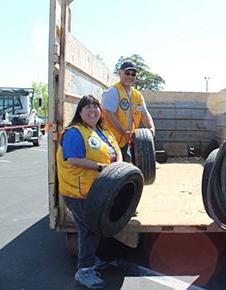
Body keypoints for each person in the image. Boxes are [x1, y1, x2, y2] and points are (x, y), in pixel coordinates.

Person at [56, 95, 122, 289]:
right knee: (88, 231)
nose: (92, 111)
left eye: (96, 108)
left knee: (95, 228)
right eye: (87, 108)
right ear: (80, 112)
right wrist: (100, 167)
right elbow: (73, 158)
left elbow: (114, 152)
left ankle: (92, 260)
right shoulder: (74, 132)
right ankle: (84, 271)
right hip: (78, 193)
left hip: (98, 192)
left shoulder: (102, 132)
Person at [102, 60, 155, 162]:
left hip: (126, 141)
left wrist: (151, 128)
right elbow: (109, 114)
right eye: (127, 73)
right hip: (110, 142)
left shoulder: (137, 95)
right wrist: (123, 131)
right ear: (120, 73)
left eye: (133, 74)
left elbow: (144, 114)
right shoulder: (113, 92)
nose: (130, 77)